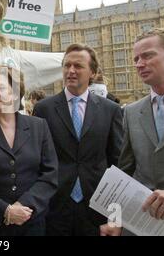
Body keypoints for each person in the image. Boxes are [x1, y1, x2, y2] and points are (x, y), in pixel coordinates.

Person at [101, 28, 164, 236]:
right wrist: (114, 219)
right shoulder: (132, 112)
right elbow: (125, 174)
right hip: (141, 228)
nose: (139, 64)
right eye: (136, 58)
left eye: (148, 56)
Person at [33, 43, 123, 236]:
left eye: (78, 66)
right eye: (67, 65)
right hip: (55, 207)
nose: (71, 71)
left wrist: (116, 216)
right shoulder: (43, 109)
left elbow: (118, 166)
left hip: (97, 207)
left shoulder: (110, 110)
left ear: (93, 72)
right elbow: (37, 160)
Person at [0, 66, 58, 236]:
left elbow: (50, 174)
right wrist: (5, 211)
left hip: (31, 224)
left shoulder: (39, 127)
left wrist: (25, 206)